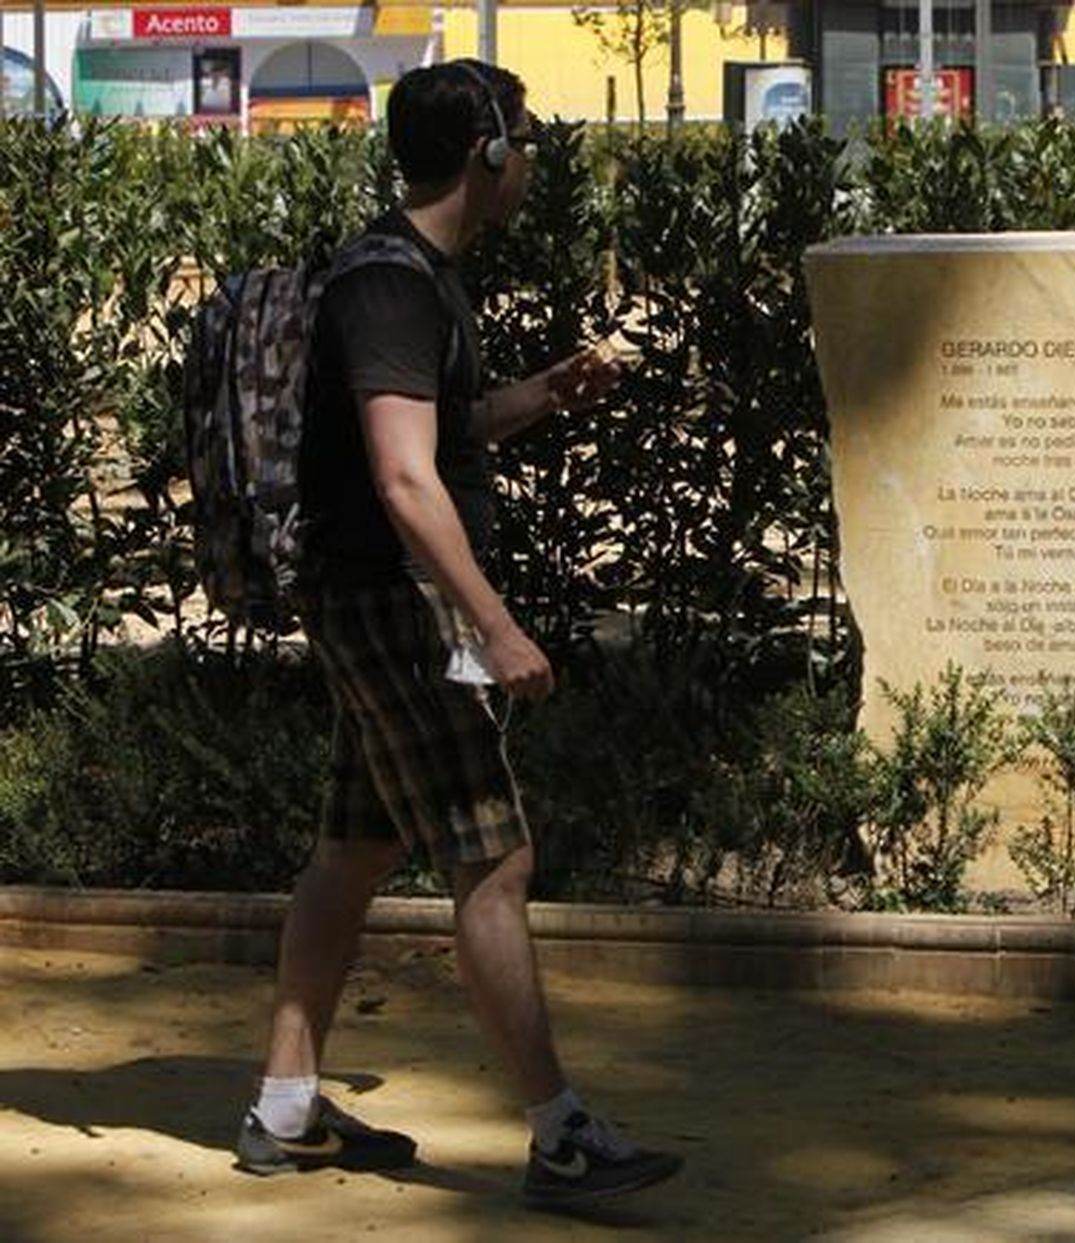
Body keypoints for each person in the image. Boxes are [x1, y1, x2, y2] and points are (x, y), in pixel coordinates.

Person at [233, 58, 682, 1207]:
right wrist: (495, 623)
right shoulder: (390, 287)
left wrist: (540, 394)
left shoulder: (412, 276)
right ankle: (561, 1134)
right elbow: (401, 477)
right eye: (523, 140)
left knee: (356, 849)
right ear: (485, 153)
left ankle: (284, 1108)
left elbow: (432, 433)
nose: (530, 160)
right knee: (493, 856)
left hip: (369, 594)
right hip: (395, 600)